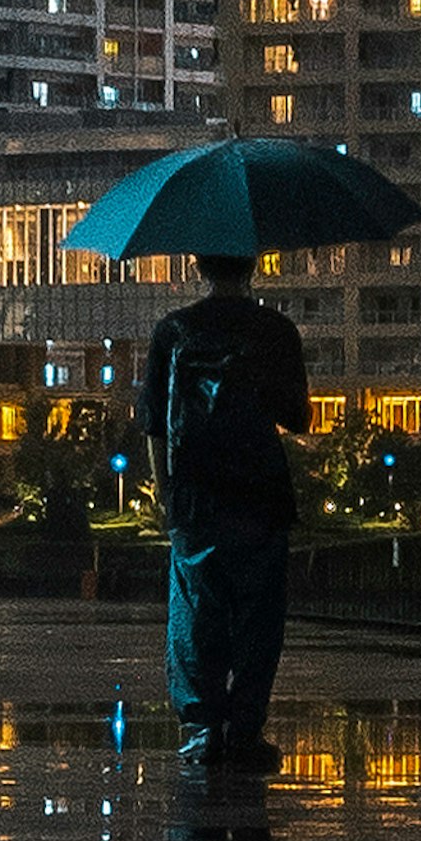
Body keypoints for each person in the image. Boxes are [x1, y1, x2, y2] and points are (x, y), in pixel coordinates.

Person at [140, 247, 311, 770]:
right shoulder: (276, 331)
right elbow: (299, 418)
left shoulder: (173, 331)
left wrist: (166, 494)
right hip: (261, 493)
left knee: (195, 615)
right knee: (258, 618)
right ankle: (245, 730)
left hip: (196, 496)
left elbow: (154, 425)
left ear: (199, 267)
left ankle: (201, 732)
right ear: (252, 266)